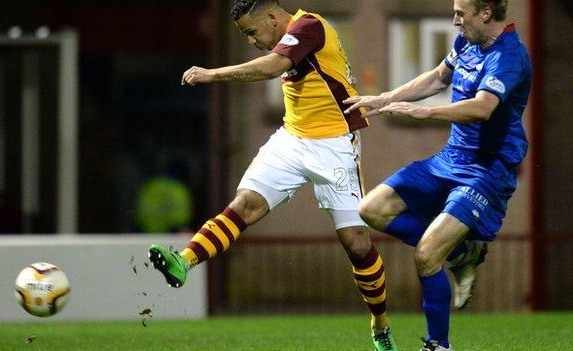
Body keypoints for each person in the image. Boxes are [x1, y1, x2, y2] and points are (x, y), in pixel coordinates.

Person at [148, 1, 398, 349]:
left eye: (252, 32)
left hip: (335, 144)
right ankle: (184, 261)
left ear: (272, 17)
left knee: (356, 245)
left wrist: (213, 74)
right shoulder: (288, 36)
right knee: (245, 204)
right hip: (292, 139)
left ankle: (380, 322)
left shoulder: (309, 26)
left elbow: (272, 67)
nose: (252, 41)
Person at [343, 0, 532, 350]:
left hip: (485, 172)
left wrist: (424, 113)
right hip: (449, 160)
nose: (455, 19)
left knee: (427, 254)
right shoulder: (466, 44)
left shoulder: (508, 56)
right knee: (371, 209)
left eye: (461, 12)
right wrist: (383, 99)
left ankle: (437, 345)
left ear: (486, 13)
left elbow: (483, 108)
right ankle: (461, 255)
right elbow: (436, 77)